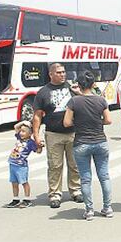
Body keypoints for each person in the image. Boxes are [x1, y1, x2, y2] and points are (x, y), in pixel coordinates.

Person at [64, 70, 114, 221]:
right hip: (100, 141)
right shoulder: (101, 100)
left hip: (81, 143)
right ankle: (107, 208)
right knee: (104, 176)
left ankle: (89, 210)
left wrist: (79, 123)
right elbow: (108, 120)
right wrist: (97, 122)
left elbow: (66, 122)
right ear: (93, 84)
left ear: (78, 85)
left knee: (85, 179)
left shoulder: (74, 102)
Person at [32, 62, 82, 209]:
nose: (62, 75)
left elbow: (89, 100)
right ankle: (55, 194)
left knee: (75, 164)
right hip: (53, 134)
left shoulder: (73, 88)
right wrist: (36, 136)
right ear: (51, 74)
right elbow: (37, 116)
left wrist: (78, 92)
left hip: (73, 133)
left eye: (63, 72)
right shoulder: (43, 92)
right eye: (59, 72)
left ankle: (75, 190)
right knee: (55, 166)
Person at [6, 120, 42, 209]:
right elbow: (15, 127)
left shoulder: (30, 143)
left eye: (23, 131)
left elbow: (38, 151)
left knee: (24, 182)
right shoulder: (19, 138)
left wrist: (40, 145)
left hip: (21, 165)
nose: (21, 133)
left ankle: (27, 199)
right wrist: (24, 123)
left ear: (30, 133)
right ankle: (15, 199)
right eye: (21, 131)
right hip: (12, 163)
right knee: (14, 182)